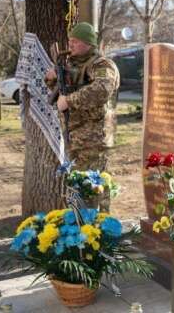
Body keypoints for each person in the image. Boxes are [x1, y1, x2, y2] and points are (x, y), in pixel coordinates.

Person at [45, 22, 120, 209]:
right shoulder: (70, 65)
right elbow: (62, 91)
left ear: (89, 43)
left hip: (93, 139)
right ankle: (80, 226)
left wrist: (69, 101)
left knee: (95, 187)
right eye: (69, 41)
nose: (70, 45)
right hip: (74, 137)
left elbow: (102, 89)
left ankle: (100, 228)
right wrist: (52, 79)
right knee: (77, 185)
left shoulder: (102, 64)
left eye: (76, 42)